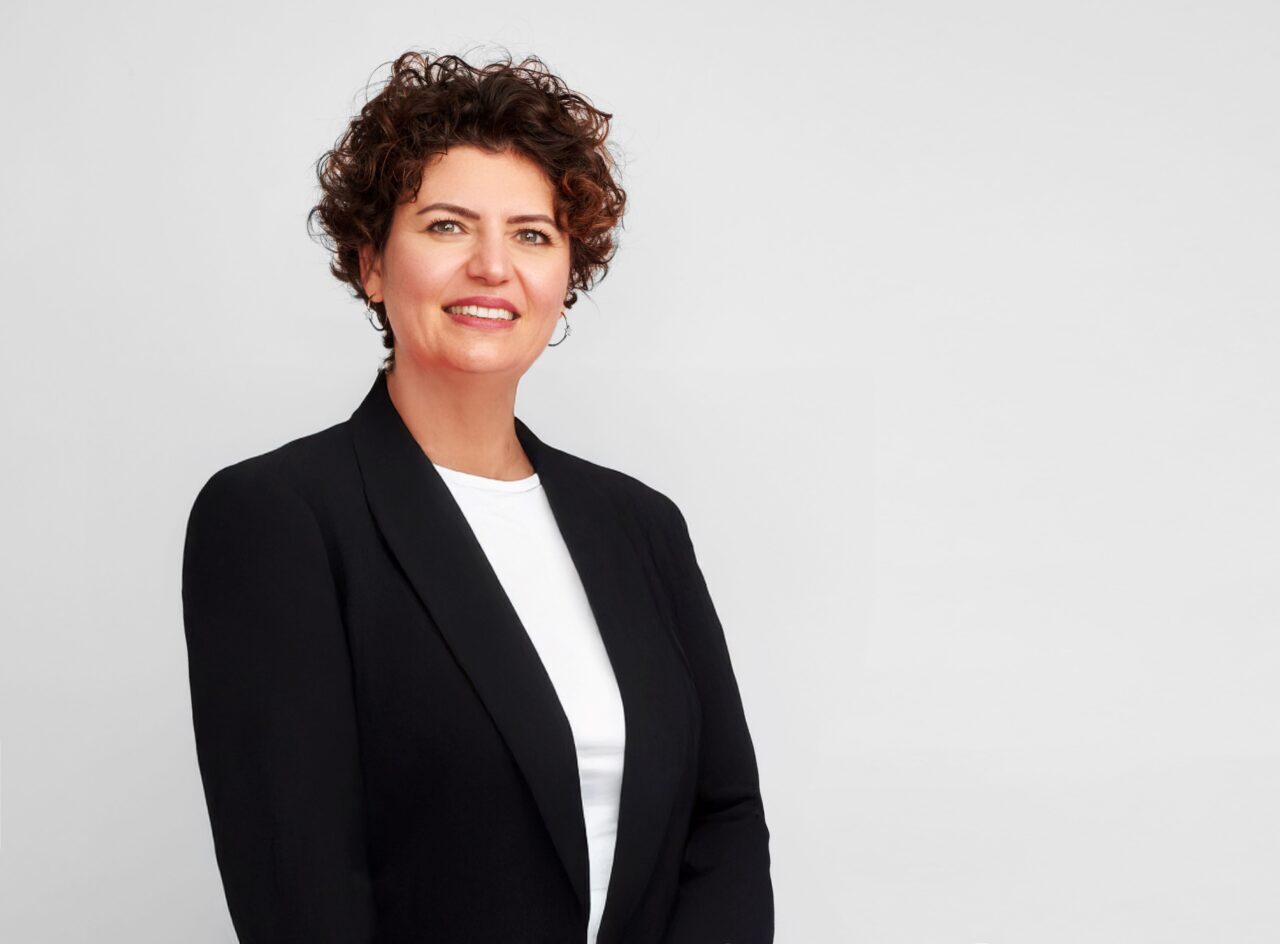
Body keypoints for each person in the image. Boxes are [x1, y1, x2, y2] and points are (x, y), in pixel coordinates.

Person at [180, 49, 772, 944]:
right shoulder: (278, 518)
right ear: (371, 262)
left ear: (567, 275)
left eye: (532, 235)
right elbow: (300, 882)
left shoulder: (640, 526)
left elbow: (722, 818)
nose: (494, 266)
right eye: (448, 226)